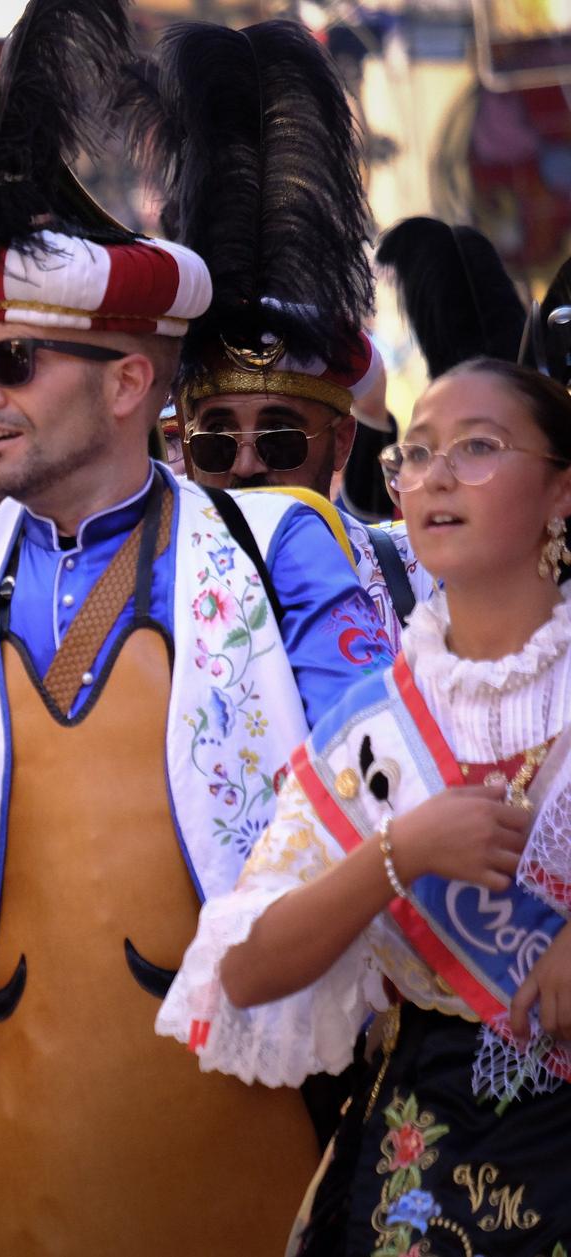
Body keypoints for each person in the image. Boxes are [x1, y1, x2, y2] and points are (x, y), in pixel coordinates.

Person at [0, 2, 391, 1252]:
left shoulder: (282, 552)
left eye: (12, 362)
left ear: (130, 380)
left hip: (234, 1146)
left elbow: (386, 795)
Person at [159, 357, 571, 1254]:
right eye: (416, 454)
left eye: (478, 447)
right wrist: (403, 848)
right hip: (420, 1169)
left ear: (562, 490)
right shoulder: (372, 728)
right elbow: (245, 971)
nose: (436, 476)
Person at [142, 19, 422, 644]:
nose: (244, 464)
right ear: (181, 447)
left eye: (280, 440)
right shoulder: (133, 597)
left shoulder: (421, 575)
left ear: (342, 443)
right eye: (214, 441)